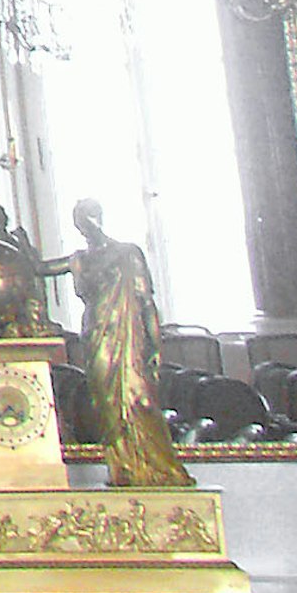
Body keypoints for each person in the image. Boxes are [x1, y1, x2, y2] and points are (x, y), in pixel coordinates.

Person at [61, 199, 195, 489]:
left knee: (141, 401)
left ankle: (158, 468)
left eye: (89, 219)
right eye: (80, 222)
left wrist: (156, 346)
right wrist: (8, 240)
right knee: (106, 406)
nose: (86, 226)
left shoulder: (128, 253)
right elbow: (39, 268)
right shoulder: (79, 259)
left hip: (130, 339)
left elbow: (147, 303)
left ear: (99, 217)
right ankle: (123, 468)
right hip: (97, 336)